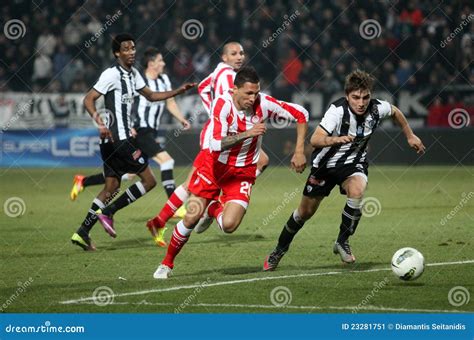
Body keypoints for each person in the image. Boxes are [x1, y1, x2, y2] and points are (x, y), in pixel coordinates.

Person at [153, 66, 309, 279]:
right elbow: (216, 144)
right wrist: (248, 133)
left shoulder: (263, 103)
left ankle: (213, 209)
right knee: (190, 219)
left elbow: (302, 114)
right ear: (235, 89)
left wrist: (299, 151)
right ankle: (166, 264)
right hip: (214, 169)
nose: (253, 98)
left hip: (242, 173)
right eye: (248, 93)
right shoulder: (222, 105)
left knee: (229, 226)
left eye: (256, 92)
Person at [262, 69, 425, 270]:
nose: (361, 102)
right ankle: (279, 250)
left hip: (354, 164)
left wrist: (410, 135)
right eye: (356, 97)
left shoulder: (376, 108)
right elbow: (315, 140)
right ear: (347, 96)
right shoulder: (337, 111)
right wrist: (336, 140)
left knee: (357, 191)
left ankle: (342, 240)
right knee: (304, 213)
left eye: (365, 97)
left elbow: (395, 112)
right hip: (326, 167)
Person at [71, 33, 195, 251]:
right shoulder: (111, 74)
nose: (131, 52)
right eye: (126, 49)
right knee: (149, 181)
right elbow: (88, 99)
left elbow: (151, 96)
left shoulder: (134, 74)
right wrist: (100, 122)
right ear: (116, 53)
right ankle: (108, 212)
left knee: (111, 186)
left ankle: (83, 232)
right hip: (118, 139)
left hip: (112, 141)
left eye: (133, 48)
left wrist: (178, 91)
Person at [146, 42, 270, 246]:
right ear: (224, 57)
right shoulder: (231, 77)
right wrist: (218, 114)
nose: (239, 56)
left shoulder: (218, 72)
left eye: (241, 53)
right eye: (233, 53)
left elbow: (203, 87)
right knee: (192, 183)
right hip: (220, 136)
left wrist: (213, 110)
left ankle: (160, 220)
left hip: (218, 132)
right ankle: (215, 203)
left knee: (192, 182)